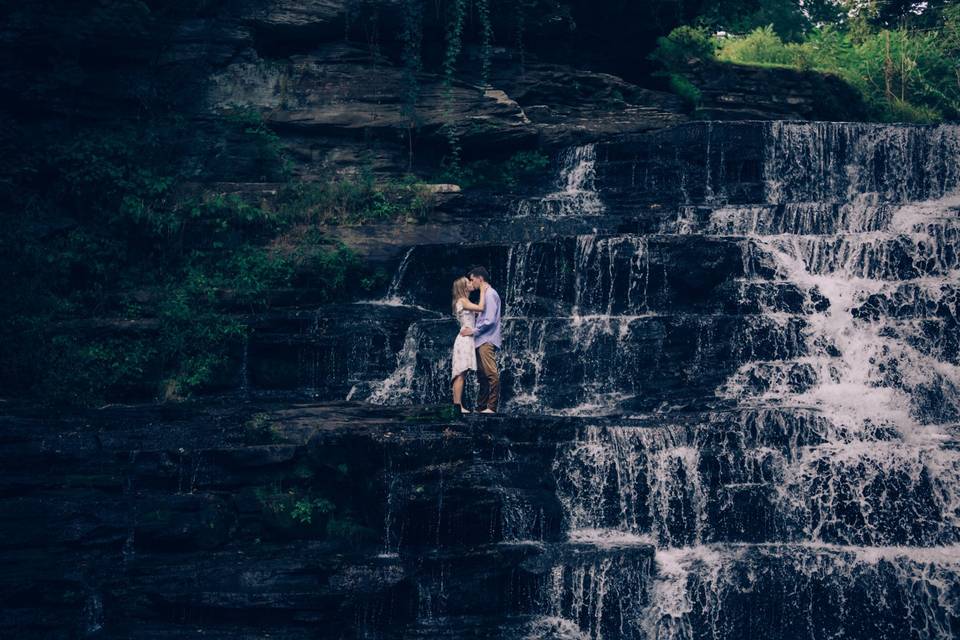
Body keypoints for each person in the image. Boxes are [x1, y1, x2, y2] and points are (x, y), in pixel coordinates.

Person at [460, 266, 502, 414]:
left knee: (491, 374)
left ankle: (491, 407)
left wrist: (473, 330)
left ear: (480, 278)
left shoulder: (490, 294)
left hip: (486, 340)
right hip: (481, 340)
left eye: (472, 280)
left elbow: (489, 320)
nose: (472, 283)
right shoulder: (487, 294)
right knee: (482, 376)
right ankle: (481, 407)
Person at [450, 276, 487, 413]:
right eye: (468, 282)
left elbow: (477, 313)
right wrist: (482, 289)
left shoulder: (465, 301)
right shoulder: (462, 300)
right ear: (463, 287)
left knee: (461, 373)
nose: (471, 283)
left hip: (467, 338)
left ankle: (458, 406)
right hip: (464, 340)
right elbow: (481, 308)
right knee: (460, 372)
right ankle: (458, 406)